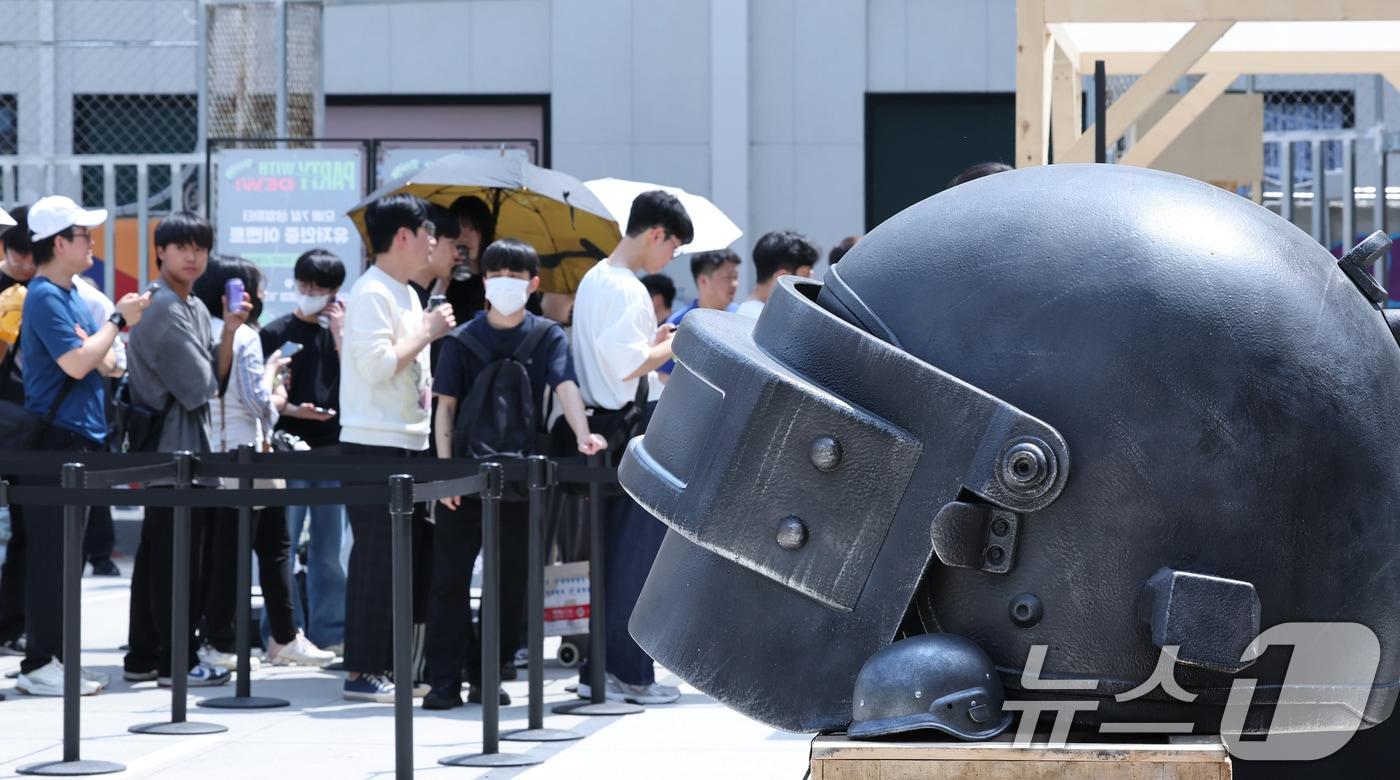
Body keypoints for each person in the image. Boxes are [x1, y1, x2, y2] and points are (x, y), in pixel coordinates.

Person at [423, 239, 607, 710]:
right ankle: (445, 679)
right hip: (471, 477)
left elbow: (566, 387)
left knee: (508, 586)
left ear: (534, 283)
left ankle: (487, 675)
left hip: (519, 476)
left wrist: (584, 434)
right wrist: (445, 474)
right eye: (497, 272)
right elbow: (444, 409)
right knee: (451, 580)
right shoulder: (464, 339)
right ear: (485, 281)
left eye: (515, 273)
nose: (506, 280)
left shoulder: (547, 336)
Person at [14, 195, 148, 695]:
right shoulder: (46, 295)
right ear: (58, 243)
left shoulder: (68, 293)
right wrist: (115, 321)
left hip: (82, 438)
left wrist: (99, 341)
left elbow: (105, 360)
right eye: (82, 235)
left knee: (67, 557)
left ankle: (59, 660)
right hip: (57, 443)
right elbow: (78, 362)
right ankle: (39, 664)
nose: (91, 242)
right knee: (53, 555)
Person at [570, 189, 692, 705]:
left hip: (604, 426)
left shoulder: (596, 280)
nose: (670, 259)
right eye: (673, 247)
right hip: (631, 427)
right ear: (656, 234)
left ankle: (603, 671)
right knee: (634, 560)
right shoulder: (626, 289)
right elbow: (628, 366)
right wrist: (680, 340)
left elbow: (620, 358)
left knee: (613, 557)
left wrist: (654, 342)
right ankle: (631, 675)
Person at [191, 255, 336, 670]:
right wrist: (275, 384)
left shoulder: (204, 329)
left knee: (264, 545)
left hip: (223, 451)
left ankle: (283, 635)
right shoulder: (245, 337)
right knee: (251, 549)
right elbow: (259, 404)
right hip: (249, 451)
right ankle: (233, 639)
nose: (261, 295)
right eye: (255, 286)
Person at [339, 193, 455, 702]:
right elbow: (375, 365)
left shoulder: (404, 292)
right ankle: (362, 671)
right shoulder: (372, 293)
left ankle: (389, 665)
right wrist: (428, 332)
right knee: (376, 559)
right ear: (403, 236)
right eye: (427, 232)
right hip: (372, 443)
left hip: (406, 439)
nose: (433, 242)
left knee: (402, 559)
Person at [123, 211, 241, 688]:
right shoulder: (164, 307)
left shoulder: (189, 304)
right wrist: (218, 353)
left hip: (185, 451)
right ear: (160, 252)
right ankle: (177, 659)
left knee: (159, 556)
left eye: (201, 247)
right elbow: (201, 385)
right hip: (172, 454)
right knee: (177, 562)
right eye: (182, 246)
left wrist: (230, 329)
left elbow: (216, 378)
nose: (193, 256)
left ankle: (145, 656)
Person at [260, 248, 347, 654]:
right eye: (305, 285)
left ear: (335, 293)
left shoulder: (339, 334)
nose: (310, 294)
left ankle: (331, 631)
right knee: (283, 548)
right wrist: (296, 410)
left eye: (320, 288)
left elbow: (358, 381)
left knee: (329, 551)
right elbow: (262, 394)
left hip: (333, 449)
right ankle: (280, 632)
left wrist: (342, 335)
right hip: (288, 448)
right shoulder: (276, 332)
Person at [657, 249, 740, 382]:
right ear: (703, 281)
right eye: (729, 277)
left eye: (736, 277)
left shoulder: (741, 317)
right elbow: (663, 375)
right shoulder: (681, 323)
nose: (735, 284)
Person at [734, 230, 819, 319]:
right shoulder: (763, 321)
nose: (811, 284)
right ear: (782, 278)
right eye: (806, 277)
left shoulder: (750, 313)